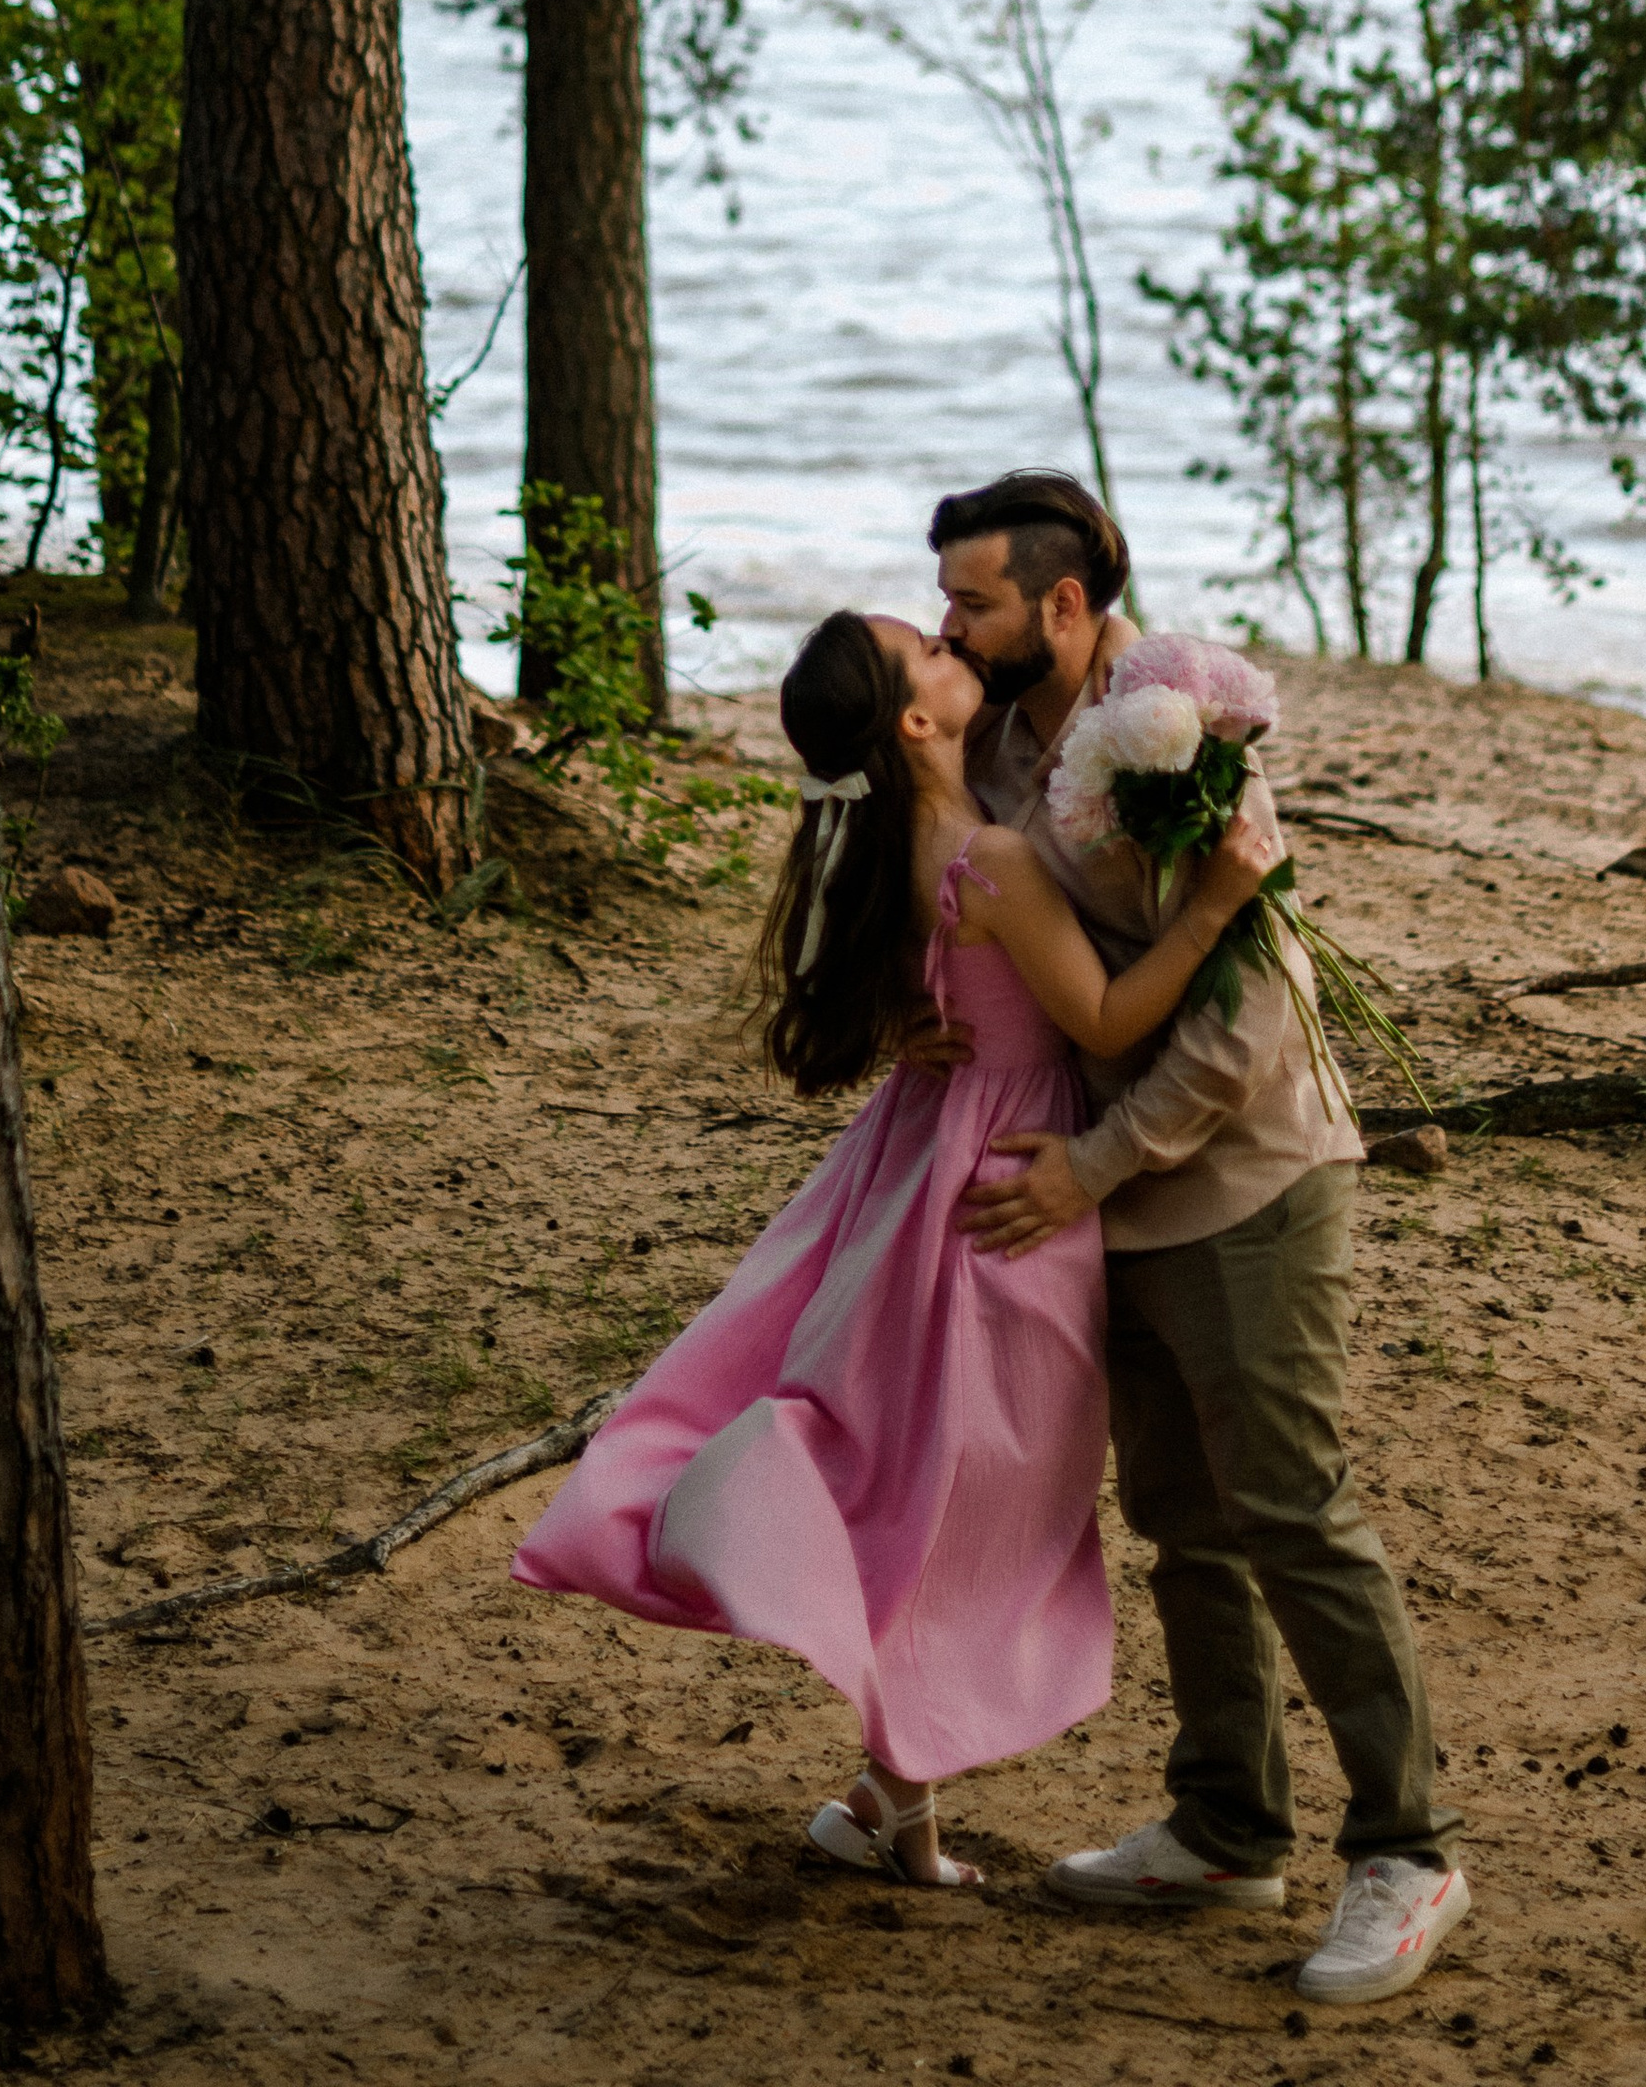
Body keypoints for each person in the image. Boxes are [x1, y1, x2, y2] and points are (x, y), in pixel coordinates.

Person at [509, 605, 1271, 1890]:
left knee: (931, 1474)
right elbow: (1097, 1014)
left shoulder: (887, 838)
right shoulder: (989, 861)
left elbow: (905, 979)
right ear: (915, 720)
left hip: (921, 1158)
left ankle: (886, 1803)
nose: (950, 641)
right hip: (1004, 1183)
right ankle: (891, 1776)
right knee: (980, 1497)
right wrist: (1215, 907)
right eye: (927, 647)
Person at [930, 469, 1471, 2009]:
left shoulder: (1186, 733)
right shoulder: (994, 739)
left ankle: (1410, 1851)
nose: (947, 625)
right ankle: (1230, 1823)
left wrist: (1092, 1164)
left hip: (1246, 1178)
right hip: (1114, 1190)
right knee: (1181, 1518)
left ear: (1065, 607)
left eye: (973, 601)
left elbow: (1240, 1020)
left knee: (1290, 1506)